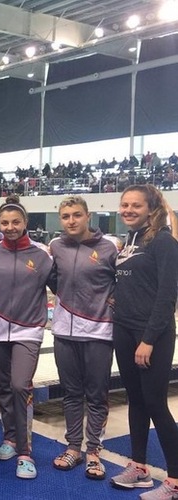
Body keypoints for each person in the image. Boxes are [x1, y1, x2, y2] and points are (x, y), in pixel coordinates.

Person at [109, 185, 178, 500]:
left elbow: (167, 296)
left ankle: (175, 481)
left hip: (152, 335)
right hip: (123, 329)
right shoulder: (129, 242)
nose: (128, 210)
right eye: (124, 205)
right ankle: (138, 468)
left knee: (155, 404)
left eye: (135, 205)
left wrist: (148, 339)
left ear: (151, 210)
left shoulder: (164, 242)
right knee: (135, 401)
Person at [0, 195, 52, 480]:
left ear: (25, 223)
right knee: (1, 386)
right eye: (4, 223)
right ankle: (10, 438)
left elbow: (61, 284)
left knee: (19, 385)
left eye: (16, 222)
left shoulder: (42, 254)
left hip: (28, 329)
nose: (10, 227)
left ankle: (25, 452)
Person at [48, 196, 118, 480]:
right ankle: (74, 447)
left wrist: (116, 298)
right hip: (64, 330)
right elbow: (50, 278)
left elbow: (125, 278)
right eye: (66, 216)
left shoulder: (109, 247)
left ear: (88, 216)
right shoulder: (55, 247)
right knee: (72, 394)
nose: (71, 221)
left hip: (100, 331)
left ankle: (94, 451)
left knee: (96, 394)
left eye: (77, 215)